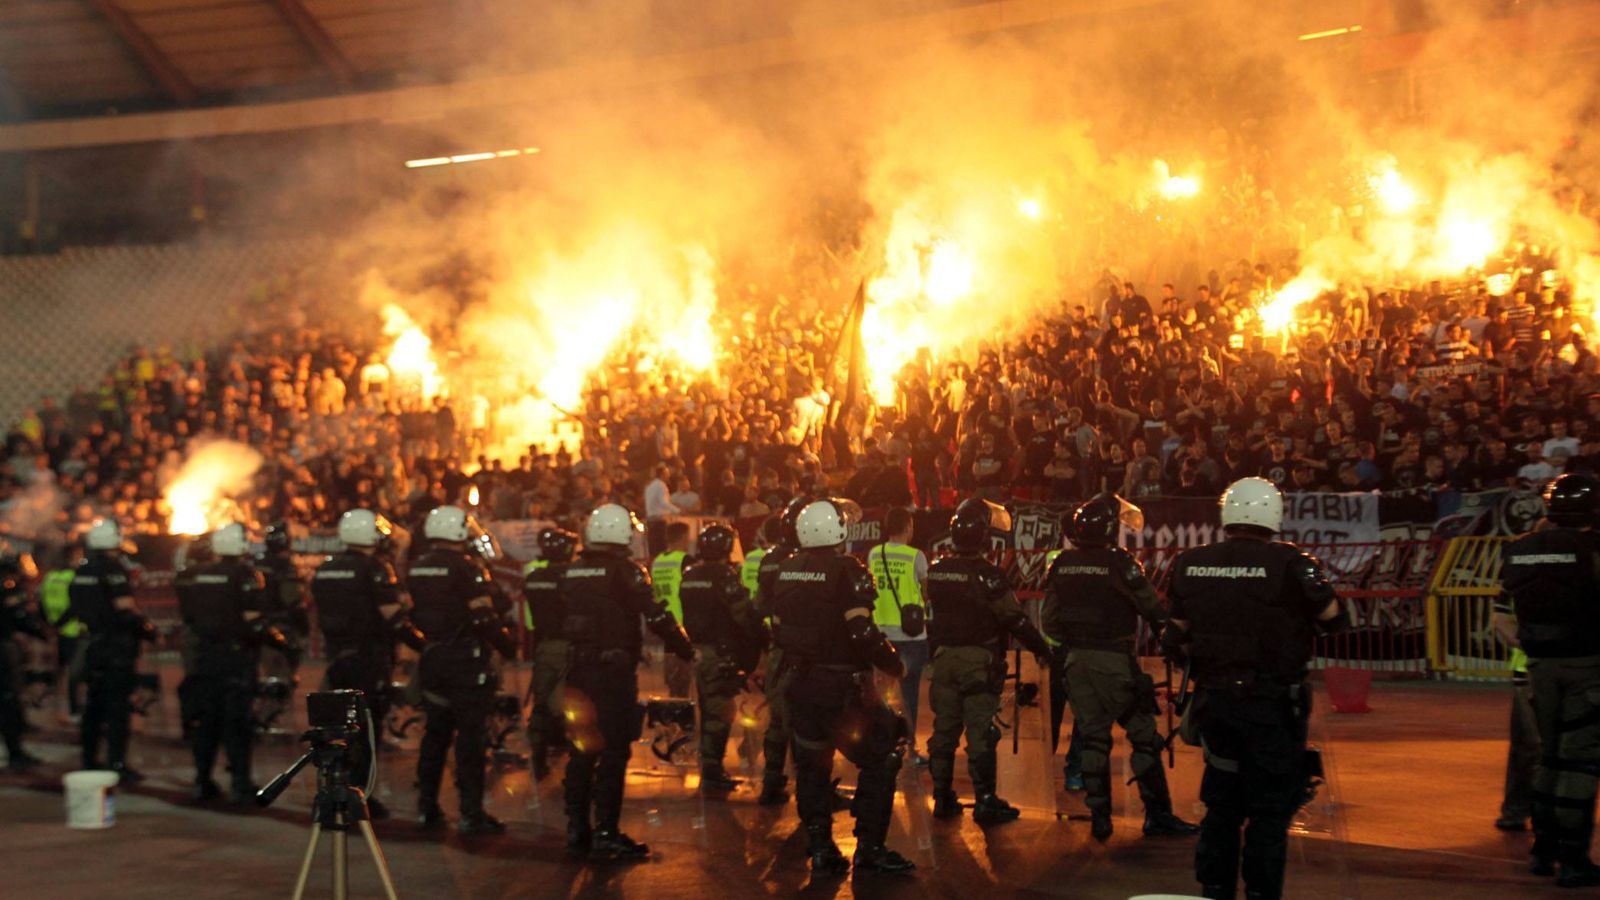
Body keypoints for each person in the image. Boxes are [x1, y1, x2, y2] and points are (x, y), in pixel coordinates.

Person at [1162, 477, 1344, 900]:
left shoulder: (1191, 562)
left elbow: (1174, 635)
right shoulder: (1292, 562)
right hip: (1271, 708)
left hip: (1217, 703)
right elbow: (1335, 618)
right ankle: (1261, 893)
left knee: (1222, 802)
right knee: (1269, 808)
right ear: (1273, 514)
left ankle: (1215, 887)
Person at [1041, 494, 1198, 840]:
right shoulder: (1120, 563)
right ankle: (1157, 814)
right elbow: (1152, 609)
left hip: (1074, 662)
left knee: (1093, 736)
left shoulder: (1061, 563)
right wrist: (1176, 646)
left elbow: (1048, 621)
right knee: (1143, 735)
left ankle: (1100, 817)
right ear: (1110, 528)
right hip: (1113, 661)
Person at [772, 497, 914, 875]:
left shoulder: (786, 569)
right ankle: (870, 847)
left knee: (812, 766)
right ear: (834, 529)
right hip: (841, 688)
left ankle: (820, 847)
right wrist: (892, 662)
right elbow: (862, 630)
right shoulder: (847, 569)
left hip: (799, 684)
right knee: (882, 757)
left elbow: (776, 625)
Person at [560, 503, 694, 862]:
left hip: (576, 671)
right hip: (611, 675)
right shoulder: (626, 571)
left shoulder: (572, 571)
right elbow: (656, 614)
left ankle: (576, 828)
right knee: (614, 750)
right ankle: (606, 832)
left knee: (581, 749)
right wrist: (685, 648)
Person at [1493, 473, 1600, 886]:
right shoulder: (1593, 550)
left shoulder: (1518, 550)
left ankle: (1543, 849)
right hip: (1586, 667)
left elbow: (1501, 617)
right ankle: (1573, 859)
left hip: (1537, 667)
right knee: (1578, 762)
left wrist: (1533, 644)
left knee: (1547, 757)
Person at [925, 499, 1052, 824]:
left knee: (944, 731)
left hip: (943, 659)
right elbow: (1013, 618)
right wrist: (1041, 648)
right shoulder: (988, 574)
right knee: (981, 732)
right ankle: (985, 800)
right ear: (983, 537)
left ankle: (941, 797)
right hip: (978, 660)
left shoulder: (937, 572)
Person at [408, 505, 518, 836]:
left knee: (435, 735)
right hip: (465, 661)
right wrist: (506, 645)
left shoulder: (418, 566)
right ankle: (471, 812)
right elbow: (485, 616)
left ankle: (427, 807)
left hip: (433, 656)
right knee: (471, 738)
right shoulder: (467, 568)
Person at [310, 508, 425, 820]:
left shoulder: (326, 568)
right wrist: (424, 645)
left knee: (338, 728)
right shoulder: (375, 567)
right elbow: (393, 616)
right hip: (368, 658)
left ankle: (332, 792)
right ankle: (359, 797)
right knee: (366, 729)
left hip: (337, 658)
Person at [178, 523, 291, 803]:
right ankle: (240, 783)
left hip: (206, 657)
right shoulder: (245, 574)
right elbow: (253, 622)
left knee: (207, 723)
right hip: (236, 658)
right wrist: (280, 641)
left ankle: (202, 781)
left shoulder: (199, 575)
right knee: (237, 723)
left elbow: (190, 617)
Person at [679, 522, 767, 793]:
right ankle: (713, 772)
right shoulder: (725, 576)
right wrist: (763, 638)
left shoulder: (690, 574)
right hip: (720, 652)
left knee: (708, 710)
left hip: (699, 650)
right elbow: (742, 615)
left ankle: (710, 768)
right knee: (720, 712)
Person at [68, 518, 155, 783]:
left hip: (92, 644)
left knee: (93, 706)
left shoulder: (82, 571)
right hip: (116, 647)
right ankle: (116, 763)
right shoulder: (114, 569)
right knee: (117, 709)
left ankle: (88, 759)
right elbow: (125, 610)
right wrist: (148, 630)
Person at [753, 495, 811, 805]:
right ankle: (812, 792)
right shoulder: (811, 560)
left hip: (778, 649)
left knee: (778, 721)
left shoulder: (769, 558)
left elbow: (758, 607)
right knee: (809, 723)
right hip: (808, 654)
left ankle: (772, 782)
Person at [868, 506, 930, 766]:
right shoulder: (916, 556)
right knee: (909, 695)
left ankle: (881, 746)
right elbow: (926, 592)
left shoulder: (874, 553)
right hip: (911, 635)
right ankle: (910, 750)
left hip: (881, 633)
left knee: (880, 695)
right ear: (907, 527)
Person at [524, 527, 577, 781]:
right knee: (576, 703)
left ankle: (537, 757)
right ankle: (577, 766)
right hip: (571, 647)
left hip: (544, 645)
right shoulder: (574, 576)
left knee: (541, 704)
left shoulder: (533, 577)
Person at [0, 543, 44, 769]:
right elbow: (17, 617)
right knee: (9, 701)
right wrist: (41, 632)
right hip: (4, 651)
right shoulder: (8, 588)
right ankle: (15, 752)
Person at [256, 521, 309, 682]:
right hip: (282, 626)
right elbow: (293, 600)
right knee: (283, 677)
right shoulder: (287, 566)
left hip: (260, 624)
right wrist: (304, 628)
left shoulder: (256, 562)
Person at [41, 544, 84, 721]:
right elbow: (76, 605)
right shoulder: (74, 577)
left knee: (59, 672)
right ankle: (75, 711)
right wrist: (61, 623)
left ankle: (52, 709)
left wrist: (51, 625)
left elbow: (42, 603)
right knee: (76, 674)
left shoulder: (50, 577)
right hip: (74, 630)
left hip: (57, 631)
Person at [652, 522, 692, 697]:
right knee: (685, 678)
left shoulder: (657, 561)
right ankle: (682, 716)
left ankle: (673, 712)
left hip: (666, 623)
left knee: (672, 678)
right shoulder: (684, 560)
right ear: (683, 537)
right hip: (683, 622)